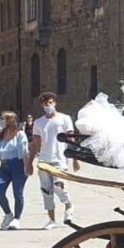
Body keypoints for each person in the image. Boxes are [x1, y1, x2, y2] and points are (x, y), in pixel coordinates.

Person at [31, 92, 77, 229]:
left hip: (59, 158)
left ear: (55, 103)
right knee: (46, 190)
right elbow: (36, 143)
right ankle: (52, 219)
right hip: (44, 159)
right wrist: (29, 162)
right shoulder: (38, 122)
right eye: (45, 104)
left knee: (58, 186)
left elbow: (71, 138)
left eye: (50, 103)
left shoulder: (64, 119)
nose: (48, 105)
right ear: (42, 105)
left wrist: (75, 158)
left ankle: (68, 203)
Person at [0, 111, 30, 229]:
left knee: (18, 193)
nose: (0, 121)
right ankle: (8, 214)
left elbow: (24, 152)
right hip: (4, 166)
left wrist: (26, 167)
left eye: (3, 119)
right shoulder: (0, 135)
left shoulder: (20, 134)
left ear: (10, 121)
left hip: (17, 165)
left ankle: (17, 219)